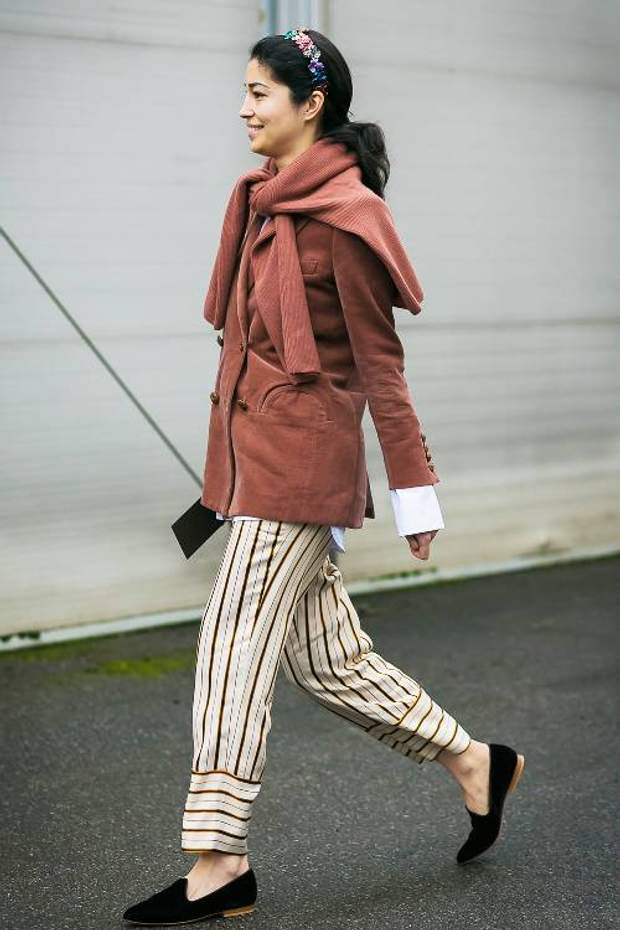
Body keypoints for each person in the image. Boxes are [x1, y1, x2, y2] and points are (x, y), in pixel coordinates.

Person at [122, 27, 525, 927]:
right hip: (255, 456)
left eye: (259, 92)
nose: (243, 108)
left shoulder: (344, 218)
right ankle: (476, 762)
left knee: (231, 640)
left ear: (311, 105)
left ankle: (220, 859)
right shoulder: (261, 201)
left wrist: (415, 492)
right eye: (244, 90)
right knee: (327, 659)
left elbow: (381, 367)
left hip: (302, 466)